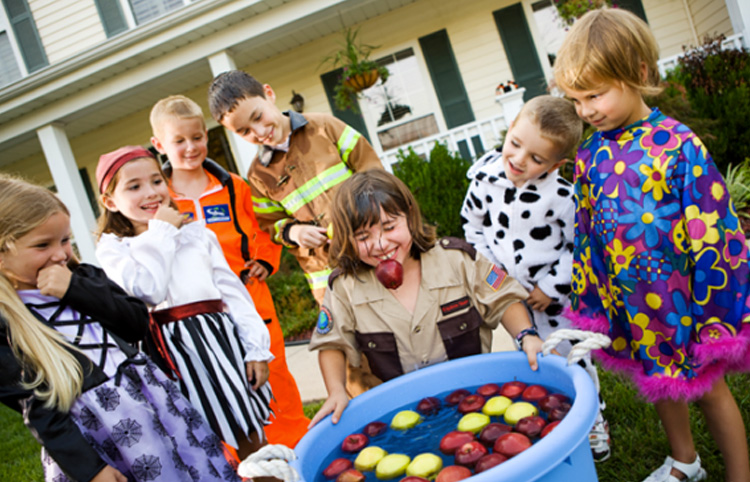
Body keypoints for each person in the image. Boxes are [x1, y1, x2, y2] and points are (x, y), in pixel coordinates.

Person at [554, 8, 750, 482]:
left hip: (687, 294)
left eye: (595, 95)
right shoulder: (590, 154)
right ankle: (685, 460)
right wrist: (595, 296)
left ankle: (741, 473)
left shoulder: (678, 145)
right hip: (634, 297)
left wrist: (716, 306)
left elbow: (715, 229)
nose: (585, 111)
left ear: (638, 73)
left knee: (709, 388)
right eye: (576, 99)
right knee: (657, 379)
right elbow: (588, 230)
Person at [0, 173, 240, 482]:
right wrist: (92, 470)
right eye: (42, 245)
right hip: (101, 437)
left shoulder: (84, 278)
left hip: (154, 409)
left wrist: (75, 290)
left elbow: (136, 323)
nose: (60, 254)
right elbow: (39, 411)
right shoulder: (9, 324)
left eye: (65, 241)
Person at [307, 169, 545, 428]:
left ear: (410, 214)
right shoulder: (345, 287)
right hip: (400, 418)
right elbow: (332, 343)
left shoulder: (457, 260)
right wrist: (336, 390)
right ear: (347, 238)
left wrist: (526, 335)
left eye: (389, 227)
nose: (380, 244)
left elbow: (504, 299)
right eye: (363, 237)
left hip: (475, 399)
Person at [94, 145, 274, 461]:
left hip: (218, 344)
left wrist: (256, 348)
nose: (151, 193)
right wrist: (161, 230)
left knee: (249, 434)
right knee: (196, 447)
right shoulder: (114, 248)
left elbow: (232, 293)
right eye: (134, 187)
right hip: (165, 354)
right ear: (110, 201)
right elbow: (147, 290)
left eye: (156, 181)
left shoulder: (197, 234)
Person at [149, 94, 310, 448]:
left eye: (197, 137)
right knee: (220, 389)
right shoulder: (156, 197)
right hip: (198, 312)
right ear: (158, 144)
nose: (191, 147)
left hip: (250, 298)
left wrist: (266, 259)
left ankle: (299, 450)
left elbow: (265, 224)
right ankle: (243, 463)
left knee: (276, 378)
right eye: (179, 141)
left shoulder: (233, 186)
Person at [460, 95, 611, 461]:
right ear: (509, 129)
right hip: (512, 297)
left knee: (571, 357)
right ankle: (551, 418)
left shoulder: (561, 196)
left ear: (556, 164)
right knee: (532, 358)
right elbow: (472, 229)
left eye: (536, 159)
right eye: (515, 144)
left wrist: (552, 285)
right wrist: (497, 277)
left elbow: (581, 245)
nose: (518, 160)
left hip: (552, 300)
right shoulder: (484, 179)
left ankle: (592, 419)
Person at [207, 69, 384, 306]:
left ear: (268, 94)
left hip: (373, 248)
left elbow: (371, 170)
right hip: (328, 277)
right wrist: (294, 232)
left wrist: (361, 216)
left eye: (258, 117)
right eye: (244, 131)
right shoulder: (258, 176)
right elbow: (271, 224)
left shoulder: (325, 127)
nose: (258, 132)